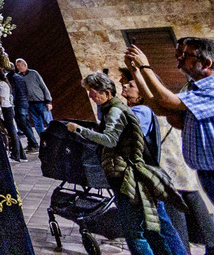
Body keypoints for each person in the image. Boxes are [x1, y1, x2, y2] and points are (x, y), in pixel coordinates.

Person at [66, 72, 186, 255]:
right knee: (152, 227)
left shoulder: (141, 111)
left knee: (148, 229)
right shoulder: (121, 109)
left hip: (136, 177)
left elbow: (115, 139)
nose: (125, 86)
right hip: (129, 176)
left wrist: (82, 131)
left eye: (131, 84)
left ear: (141, 94)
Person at [119, 68, 214, 254]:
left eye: (129, 83)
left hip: (168, 164)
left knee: (176, 208)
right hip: (178, 165)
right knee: (192, 203)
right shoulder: (151, 106)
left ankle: (185, 250)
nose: (123, 85)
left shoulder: (147, 109)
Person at [126, 37, 214, 204]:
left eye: (187, 55)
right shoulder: (193, 89)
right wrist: (136, 72)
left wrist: (145, 67)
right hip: (207, 171)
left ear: (206, 63)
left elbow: (168, 101)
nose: (180, 58)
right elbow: (160, 108)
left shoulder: (211, 87)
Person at [0, 67, 26, 162]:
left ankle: (16, 154)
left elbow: (1, 99)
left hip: (6, 108)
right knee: (11, 130)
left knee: (11, 131)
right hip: (6, 108)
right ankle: (21, 154)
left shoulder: (2, 84)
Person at [15, 58, 54, 136]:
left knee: (49, 121)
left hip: (41, 102)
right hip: (30, 103)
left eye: (19, 65)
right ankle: (43, 138)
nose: (18, 67)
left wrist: (48, 101)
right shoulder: (18, 76)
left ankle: (54, 137)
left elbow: (43, 86)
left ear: (25, 65)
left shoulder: (34, 73)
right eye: (17, 66)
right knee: (37, 123)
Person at [8, 65, 40, 152]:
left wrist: (12, 104)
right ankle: (32, 143)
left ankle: (34, 144)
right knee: (26, 124)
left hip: (19, 103)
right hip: (24, 102)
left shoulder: (11, 78)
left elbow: (13, 92)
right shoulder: (19, 77)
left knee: (24, 124)